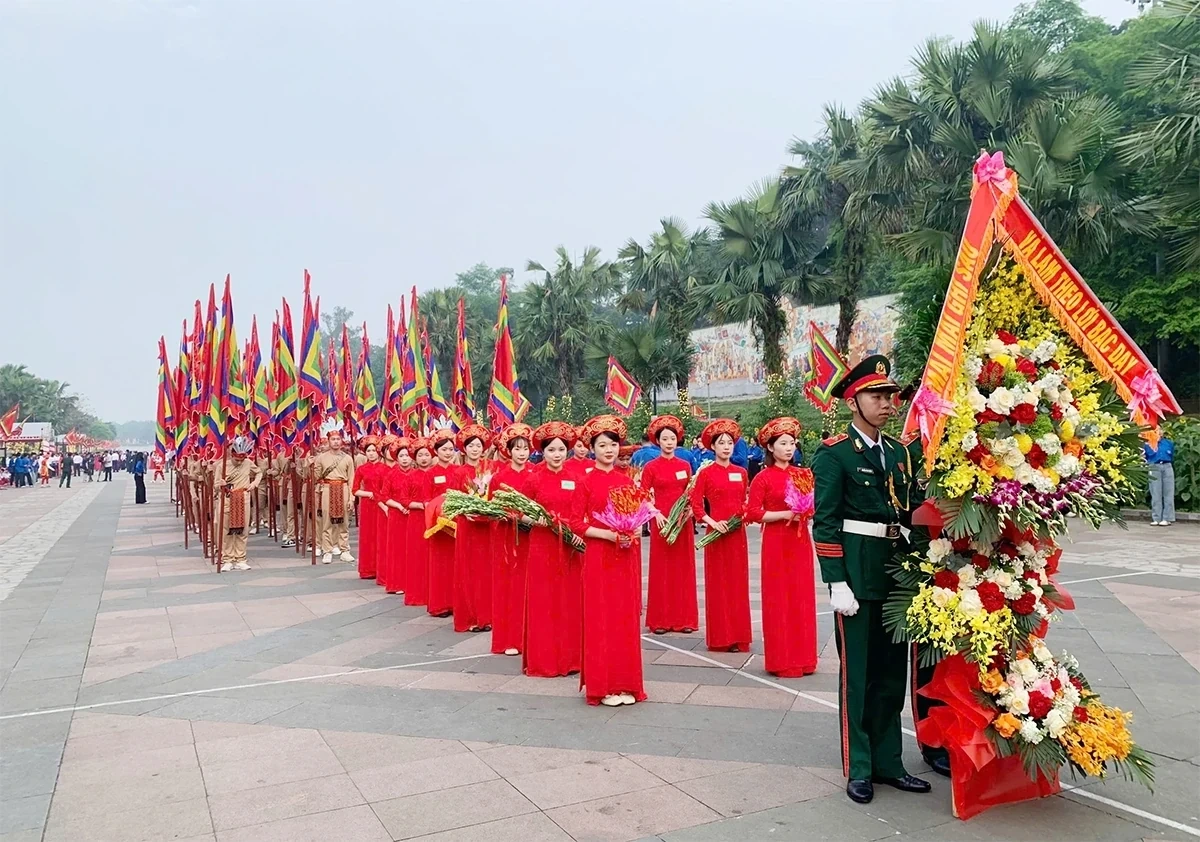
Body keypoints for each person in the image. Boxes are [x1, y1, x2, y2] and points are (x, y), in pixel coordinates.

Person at [813, 354, 930, 805]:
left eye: (890, 396)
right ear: (852, 401)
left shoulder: (899, 452)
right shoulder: (835, 452)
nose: (887, 403)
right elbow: (824, 522)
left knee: (889, 674)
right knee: (858, 675)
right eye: (876, 396)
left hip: (894, 570)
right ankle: (859, 766)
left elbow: (907, 510)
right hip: (857, 575)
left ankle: (889, 762)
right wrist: (835, 581)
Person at [570, 414, 646, 707]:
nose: (609, 450)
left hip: (625, 557)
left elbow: (637, 516)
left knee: (624, 619)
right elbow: (576, 523)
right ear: (592, 448)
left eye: (613, 444)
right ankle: (603, 686)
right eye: (603, 445)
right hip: (600, 556)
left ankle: (626, 683)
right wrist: (608, 535)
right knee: (602, 618)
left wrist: (635, 529)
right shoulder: (585, 482)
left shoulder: (626, 480)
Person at [746, 417, 818, 677]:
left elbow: (811, 507)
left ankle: (805, 658)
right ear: (770, 447)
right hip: (776, 542)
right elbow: (753, 512)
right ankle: (782, 660)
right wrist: (785, 514)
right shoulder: (763, 478)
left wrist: (805, 512)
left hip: (799, 542)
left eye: (792, 443)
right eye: (783, 443)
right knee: (779, 598)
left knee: (801, 596)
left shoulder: (802, 475)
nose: (789, 448)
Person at [524, 421, 585, 677]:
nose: (557, 454)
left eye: (561, 449)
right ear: (543, 452)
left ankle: (572, 659)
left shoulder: (577, 478)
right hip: (543, 544)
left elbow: (584, 512)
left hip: (570, 546)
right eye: (552, 450)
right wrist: (533, 520)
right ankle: (545, 660)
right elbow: (519, 512)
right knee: (545, 600)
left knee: (570, 599)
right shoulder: (533, 479)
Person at [691, 419, 752, 653]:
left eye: (729, 443)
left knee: (738, 584)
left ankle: (739, 636)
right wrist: (712, 522)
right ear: (712, 447)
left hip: (738, 534)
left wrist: (744, 515)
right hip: (716, 534)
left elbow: (745, 501)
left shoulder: (741, 473)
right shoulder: (705, 474)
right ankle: (721, 636)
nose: (726, 447)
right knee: (719, 585)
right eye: (721, 443)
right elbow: (696, 506)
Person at [640, 415, 698, 635]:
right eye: (665, 438)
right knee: (662, 568)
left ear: (677, 440)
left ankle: (685, 619)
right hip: (662, 522)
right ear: (658, 441)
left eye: (672, 438)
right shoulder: (651, 467)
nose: (669, 442)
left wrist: (692, 509)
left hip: (682, 523)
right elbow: (643, 495)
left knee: (683, 568)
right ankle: (661, 620)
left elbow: (691, 492)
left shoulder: (684, 465)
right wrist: (655, 514)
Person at [491, 423, 536, 656]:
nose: (522, 452)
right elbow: (492, 507)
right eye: (517, 448)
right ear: (509, 450)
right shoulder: (499, 478)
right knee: (508, 585)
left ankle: (531, 636)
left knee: (530, 584)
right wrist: (511, 515)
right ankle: (509, 638)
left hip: (531, 537)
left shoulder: (535, 474)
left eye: (525, 448)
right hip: (508, 536)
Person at [453, 423, 495, 633]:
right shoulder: (459, 472)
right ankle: (470, 617)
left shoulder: (492, 469)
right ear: (464, 449)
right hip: (467, 525)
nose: (475, 449)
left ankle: (488, 616)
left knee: (488, 570)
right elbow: (451, 499)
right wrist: (464, 510)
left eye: (479, 445)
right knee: (469, 570)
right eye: (471, 446)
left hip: (487, 525)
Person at [212, 436, 263, 571]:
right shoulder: (221, 466)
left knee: (242, 530)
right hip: (227, 499)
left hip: (242, 498)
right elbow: (216, 486)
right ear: (232, 454)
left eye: (242, 459)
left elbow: (259, 473)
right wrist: (220, 484)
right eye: (237, 459)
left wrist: (254, 484)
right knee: (226, 530)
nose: (240, 462)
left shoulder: (248, 463)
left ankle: (241, 558)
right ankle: (227, 558)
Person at [425, 429, 459, 617]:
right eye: (444, 449)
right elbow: (425, 499)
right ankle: (440, 605)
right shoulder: (430, 473)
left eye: (451, 449)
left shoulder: (458, 472)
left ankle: (456, 602)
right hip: (438, 526)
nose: (448, 452)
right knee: (440, 565)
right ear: (436, 451)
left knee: (456, 564)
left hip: (457, 525)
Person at [314, 428, 356, 564]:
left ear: (341, 441)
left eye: (338, 439)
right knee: (327, 522)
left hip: (343, 488)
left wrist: (351, 498)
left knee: (344, 522)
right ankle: (327, 550)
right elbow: (315, 477)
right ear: (329, 441)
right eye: (333, 439)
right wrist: (310, 466)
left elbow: (352, 479)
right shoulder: (321, 458)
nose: (336, 442)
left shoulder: (348, 458)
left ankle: (344, 550)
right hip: (327, 488)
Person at [400, 437, 434, 607]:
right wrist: (422, 505)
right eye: (420, 455)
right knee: (417, 557)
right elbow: (404, 499)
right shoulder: (410, 476)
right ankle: (417, 594)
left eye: (427, 454)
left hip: (436, 520)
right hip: (416, 519)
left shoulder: (436, 474)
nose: (423, 458)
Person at [351, 436, 385, 580]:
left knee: (381, 535)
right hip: (367, 505)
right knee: (368, 536)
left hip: (382, 504)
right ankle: (368, 569)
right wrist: (369, 493)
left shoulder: (385, 468)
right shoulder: (362, 469)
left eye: (374, 450)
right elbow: (355, 490)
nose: (371, 453)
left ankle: (381, 568)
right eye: (368, 450)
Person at [1144, 434, 1176, 526]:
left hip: (1167, 466)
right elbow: (1145, 457)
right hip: (1154, 466)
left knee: (1169, 492)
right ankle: (1156, 518)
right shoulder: (1148, 443)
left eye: (1158, 430)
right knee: (1155, 492)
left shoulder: (1168, 443)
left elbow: (1172, 455)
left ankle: (1167, 518)